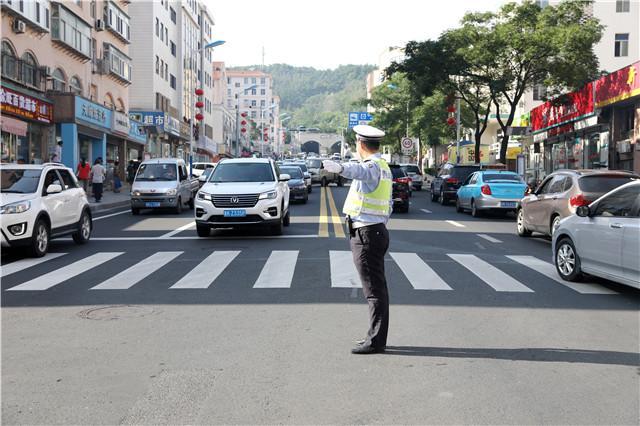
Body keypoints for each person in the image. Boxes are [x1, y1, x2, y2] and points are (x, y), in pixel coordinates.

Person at [323, 125, 392, 355]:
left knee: (374, 290)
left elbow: (359, 171)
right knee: (377, 288)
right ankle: (375, 335)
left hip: (368, 234)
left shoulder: (371, 166)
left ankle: (375, 341)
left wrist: (340, 167)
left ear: (361, 144)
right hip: (375, 231)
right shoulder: (384, 167)